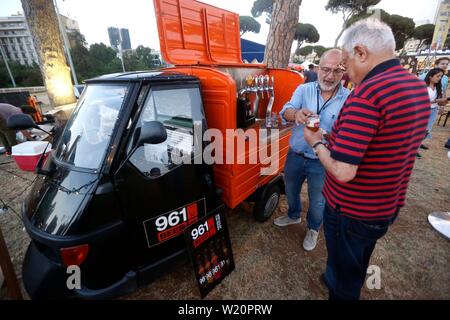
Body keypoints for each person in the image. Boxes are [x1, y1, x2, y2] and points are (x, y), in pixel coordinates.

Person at [303, 18, 430, 300]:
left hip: (351, 209)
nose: (344, 74)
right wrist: (335, 138)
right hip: (385, 205)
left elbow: (343, 171)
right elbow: (386, 144)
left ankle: (340, 285)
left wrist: (317, 143)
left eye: (345, 64)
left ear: (361, 52)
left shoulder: (369, 93)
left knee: (345, 278)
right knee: (358, 258)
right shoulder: (416, 87)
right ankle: (337, 276)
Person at [275, 49, 350, 251]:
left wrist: (327, 136)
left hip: (323, 159)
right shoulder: (304, 89)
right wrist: (296, 114)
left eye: (336, 71)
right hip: (296, 154)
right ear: (318, 68)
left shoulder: (349, 98)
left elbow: (347, 135)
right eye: (325, 69)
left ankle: (313, 228)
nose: (329, 76)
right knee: (290, 190)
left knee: (318, 200)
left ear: (344, 72)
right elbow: (285, 111)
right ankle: (293, 215)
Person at [419, 68, 447, 154]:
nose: (439, 78)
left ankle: (418, 144)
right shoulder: (423, 86)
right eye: (438, 76)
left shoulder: (438, 87)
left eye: (441, 77)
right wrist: (437, 101)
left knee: (427, 130)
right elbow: (421, 101)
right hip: (424, 111)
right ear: (430, 77)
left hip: (434, 110)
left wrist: (443, 103)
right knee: (420, 130)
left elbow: (439, 101)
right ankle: (414, 147)